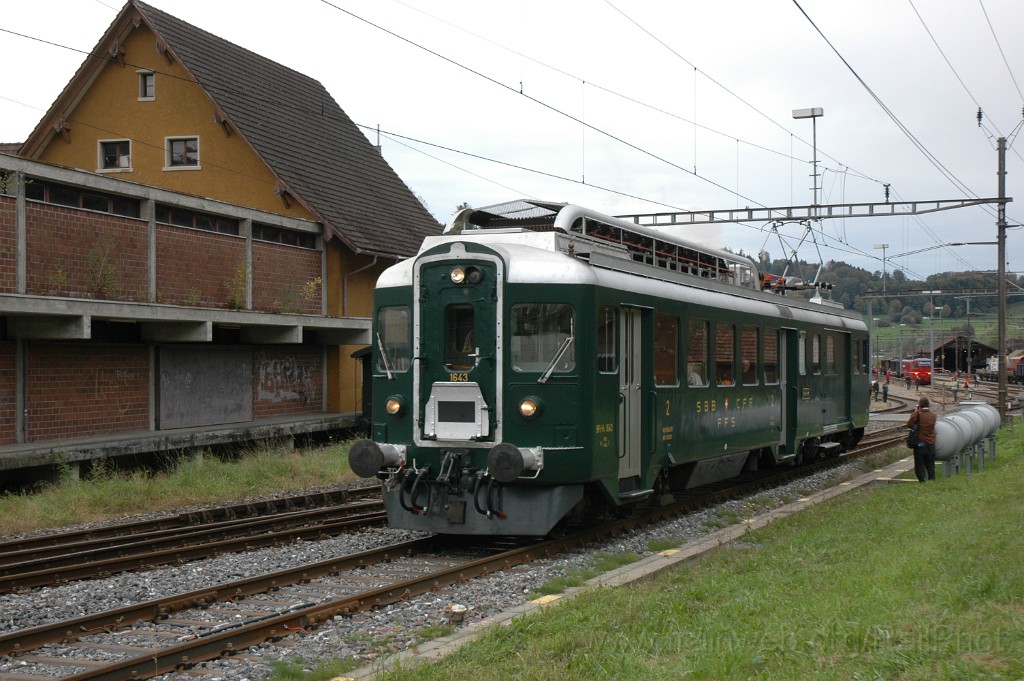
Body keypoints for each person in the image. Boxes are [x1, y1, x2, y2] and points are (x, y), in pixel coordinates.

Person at [906, 396, 937, 482]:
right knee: (931, 466)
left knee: (920, 466)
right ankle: (932, 481)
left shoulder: (917, 414)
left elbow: (909, 424)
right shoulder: (933, 415)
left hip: (920, 444)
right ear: (928, 405)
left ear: (920, 405)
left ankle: (923, 482)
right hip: (931, 444)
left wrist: (915, 412)